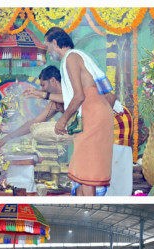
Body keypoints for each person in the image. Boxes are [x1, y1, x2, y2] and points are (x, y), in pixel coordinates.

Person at [44, 27, 115, 196]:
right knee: (82, 169)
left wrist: (63, 120)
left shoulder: (71, 58)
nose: (47, 51)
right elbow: (108, 96)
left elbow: (79, 96)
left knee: (86, 171)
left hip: (92, 112)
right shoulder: (78, 56)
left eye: (47, 46)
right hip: (98, 111)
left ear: (55, 43)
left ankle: (89, 208)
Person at [0, 66, 64, 148]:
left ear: (53, 81)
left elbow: (69, 99)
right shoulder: (55, 103)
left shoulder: (71, 91)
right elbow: (34, 122)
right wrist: (8, 137)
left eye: (43, 85)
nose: (42, 89)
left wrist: (42, 94)